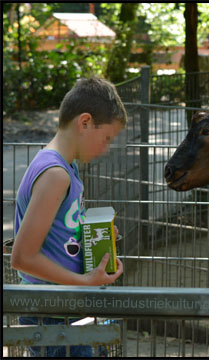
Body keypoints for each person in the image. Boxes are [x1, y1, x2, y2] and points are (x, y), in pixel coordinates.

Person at [11, 77, 127, 357]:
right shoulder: (55, 174)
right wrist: (86, 281)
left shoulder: (66, 168)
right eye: (107, 138)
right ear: (85, 122)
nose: (106, 148)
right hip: (51, 311)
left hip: (58, 306)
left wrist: (96, 236)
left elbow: (59, 233)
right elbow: (23, 257)